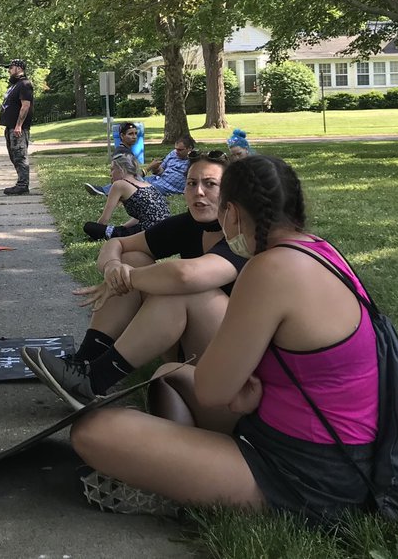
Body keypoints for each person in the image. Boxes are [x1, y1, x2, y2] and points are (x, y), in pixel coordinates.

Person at [63, 155, 381, 522]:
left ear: (230, 211)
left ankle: (182, 488)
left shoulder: (268, 270)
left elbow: (214, 391)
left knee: (93, 432)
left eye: (214, 192)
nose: (201, 197)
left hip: (307, 475)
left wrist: (240, 387)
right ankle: (181, 466)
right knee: (168, 373)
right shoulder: (321, 252)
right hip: (331, 445)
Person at [29, 152, 240, 408]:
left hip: (234, 360)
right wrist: (114, 268)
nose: (198, 192)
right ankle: (84, 363)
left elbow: (186, 276)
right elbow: (116, 244)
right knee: (133, 258)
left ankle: (95, 380)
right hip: (190, 344)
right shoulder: (189, 224)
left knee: (186, 290)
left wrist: (130, 279)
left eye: (210, 184)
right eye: (191, 183)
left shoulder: (243, 235)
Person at [82, 151, 170, 241]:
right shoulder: (144, 183)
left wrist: (97, 231)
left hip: (148, 234)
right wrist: (123, 227)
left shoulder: (119, 185)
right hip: (166, 230)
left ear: (121, 170)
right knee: (122, 229)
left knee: (89, 226)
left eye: (112, 169)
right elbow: (142, 216)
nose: (110, 174)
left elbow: (104, 220)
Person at [85, 134, 195, 198]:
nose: (176, 152)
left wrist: (193, 157)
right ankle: (103, 190)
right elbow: (162, 170)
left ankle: (112, 193)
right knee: (131, 179)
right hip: (158, 179)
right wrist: (156, 168)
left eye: (180, 150)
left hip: (168, 187)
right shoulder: (173, 154)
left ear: (189, 148)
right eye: (175, 148)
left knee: (137, 187)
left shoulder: (194, 161)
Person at [0, 59, 34, 195]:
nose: (9, 70)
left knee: (20, 155)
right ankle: (21, 182)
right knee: (14, 155)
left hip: (18, 127)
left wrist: (19, 125)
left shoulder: (24, 84)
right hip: (10, 127)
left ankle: (23, 185)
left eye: (11, 67)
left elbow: (25, 106)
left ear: (19, 68)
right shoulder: (14, 85)